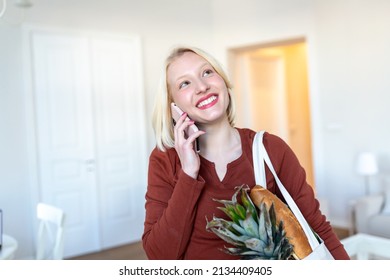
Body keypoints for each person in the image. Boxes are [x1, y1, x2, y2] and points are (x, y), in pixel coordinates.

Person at [142, 46, 350, 260]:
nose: (202, 87)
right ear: (173, 105)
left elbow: (316, 226)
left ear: (222, 81)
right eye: (185, 83)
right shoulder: (164, 160)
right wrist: (188, 174)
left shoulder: (271, 149)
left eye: (207, 72)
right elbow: (159, 256)